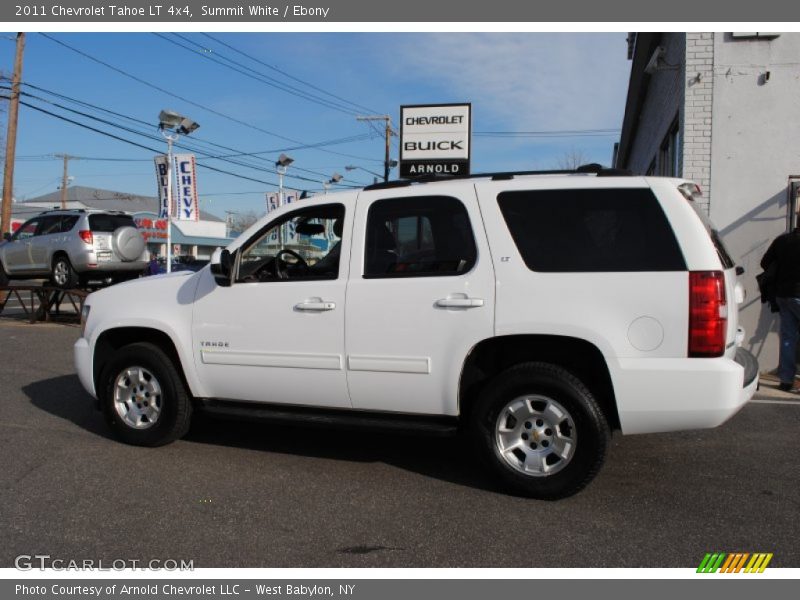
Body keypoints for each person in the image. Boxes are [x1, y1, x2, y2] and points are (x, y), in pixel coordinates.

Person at [761, 224, 800, 391]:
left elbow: (765, 263)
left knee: (788, 338)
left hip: (782, 294)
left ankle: (786, 381)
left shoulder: (782, 240)